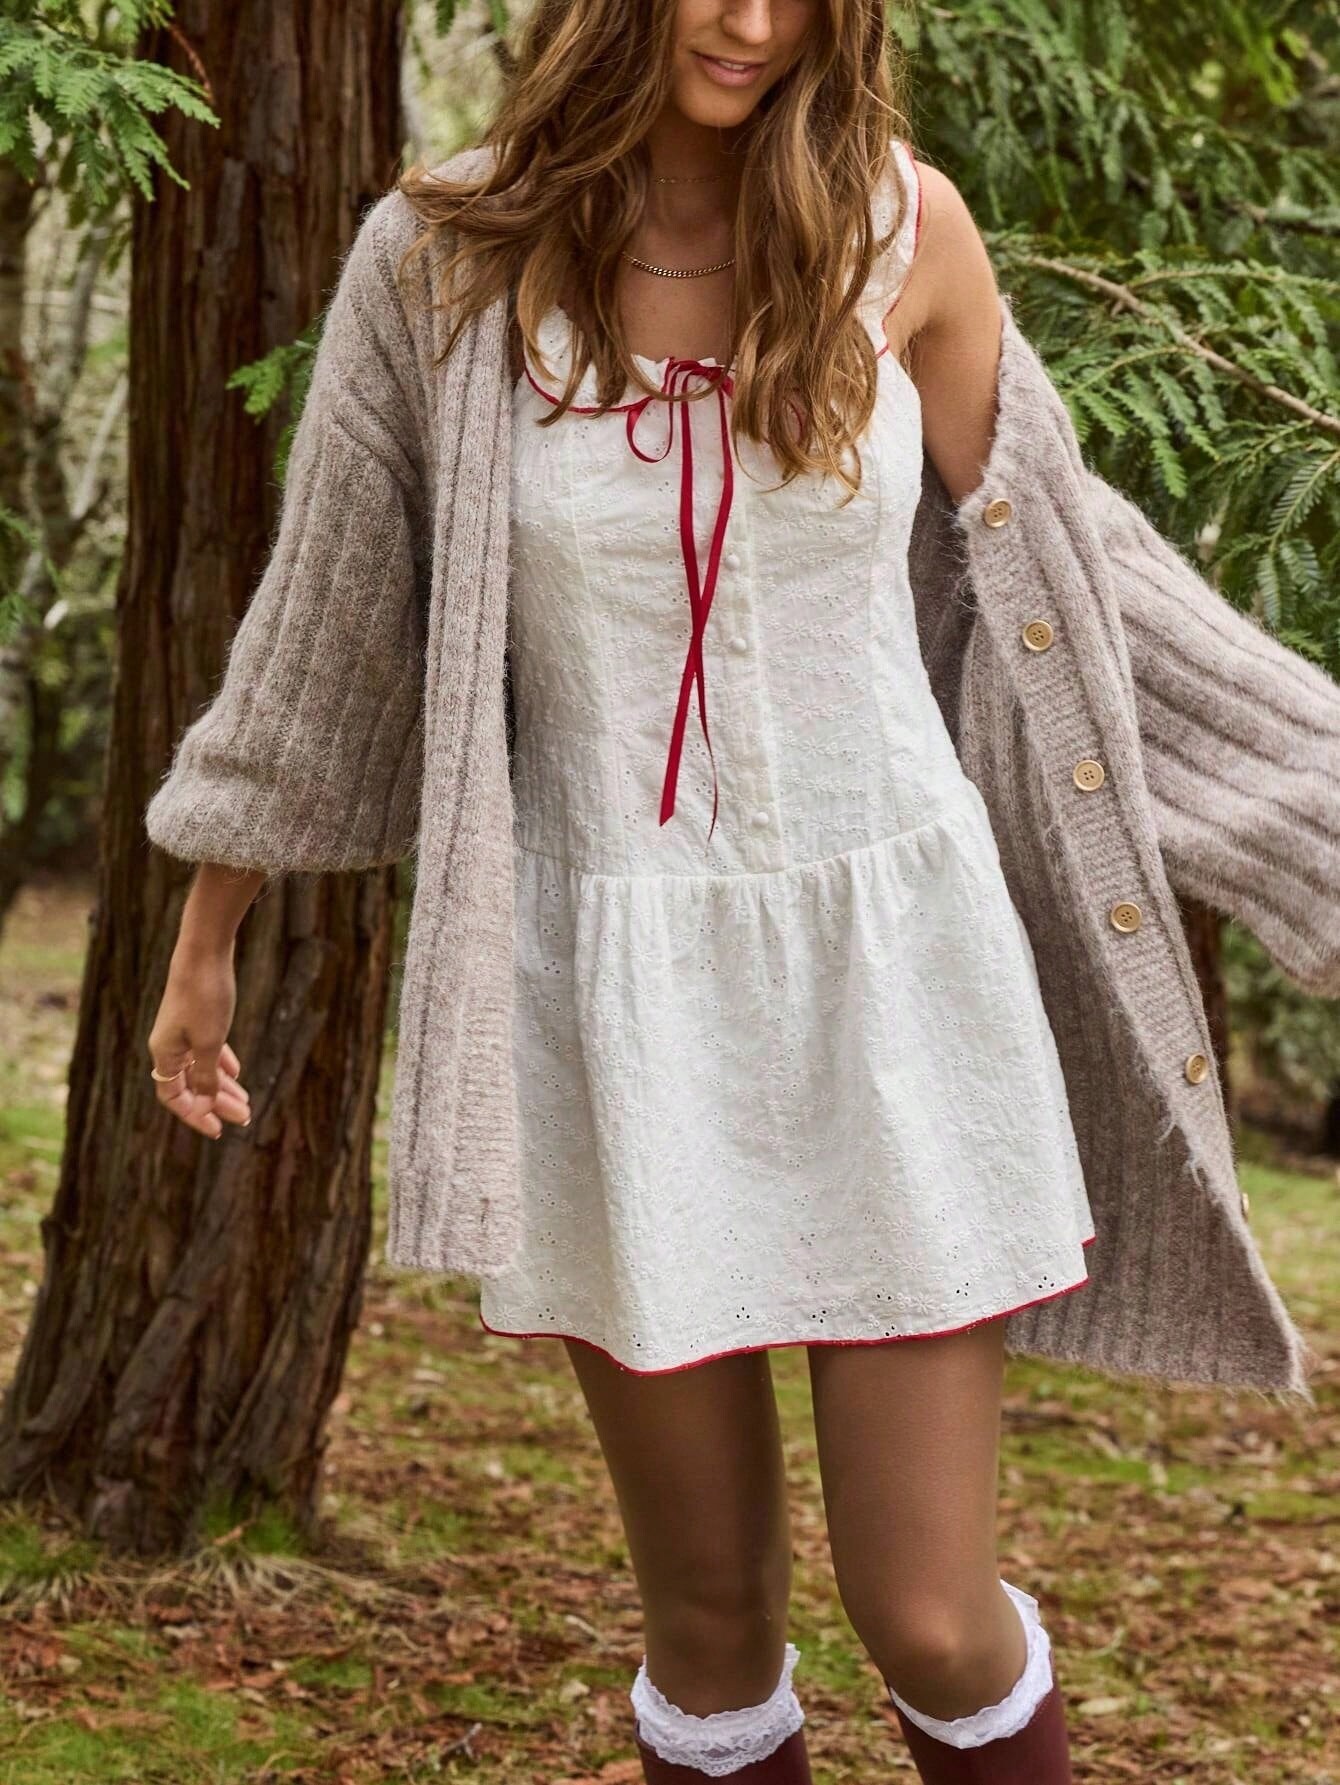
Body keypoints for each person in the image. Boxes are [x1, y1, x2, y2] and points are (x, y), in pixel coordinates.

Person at [144, 2, 1334, 1780]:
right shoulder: (443, 263)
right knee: (710, 1632)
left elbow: (1084, 592)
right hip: (616, 992)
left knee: (929, 1613)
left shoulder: (905, 229)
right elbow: (327, 629)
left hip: (898, 970)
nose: (752, 21)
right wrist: (205, 935)